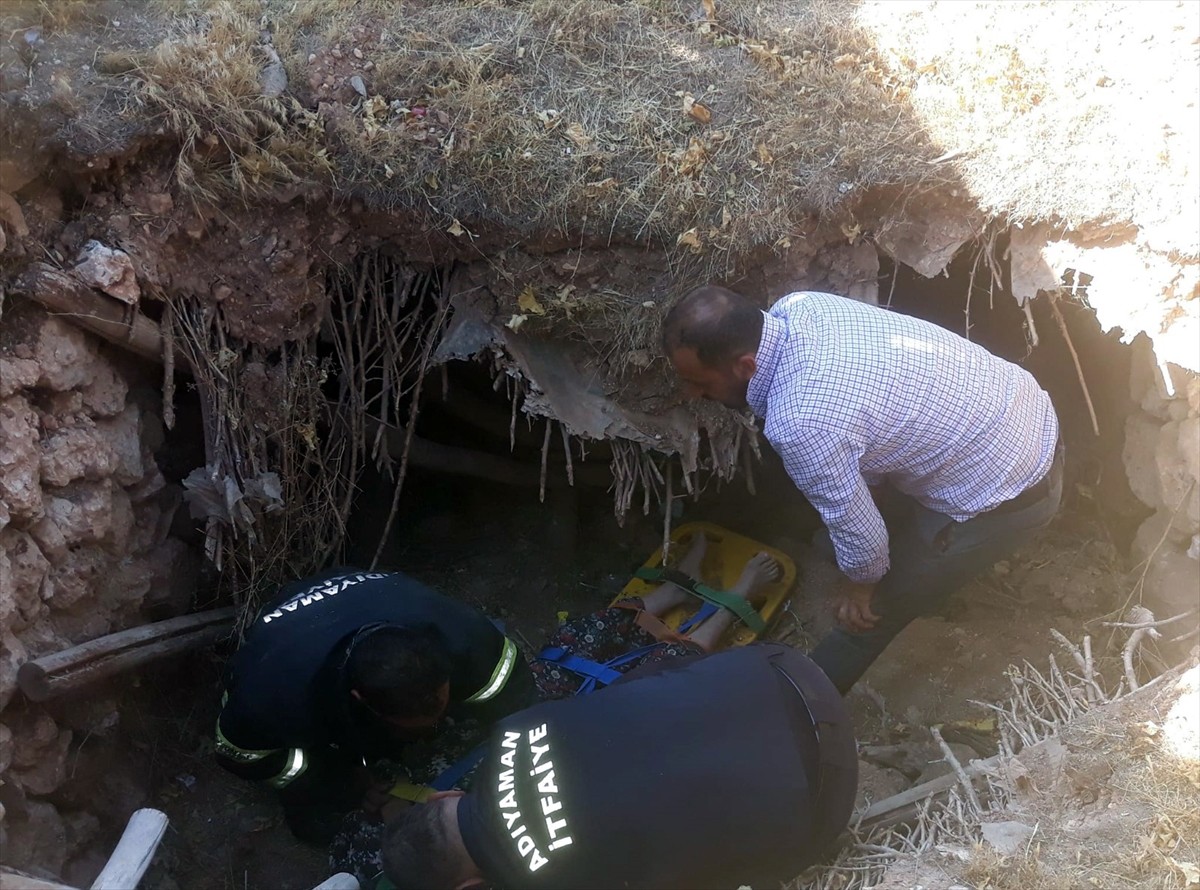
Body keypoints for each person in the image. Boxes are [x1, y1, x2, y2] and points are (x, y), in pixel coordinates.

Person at [662, 286, 1063, 694]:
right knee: (856, 514)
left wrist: (861, 584)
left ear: (746, 366)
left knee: (869, 614)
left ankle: (800, 703)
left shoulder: (800, 423)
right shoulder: (800, 306)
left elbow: (865, 539)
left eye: (700, 383)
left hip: (1005, 491)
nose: (693, 394)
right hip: (1021, 411)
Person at [328, 536, 785, 884]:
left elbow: (354, 816)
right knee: (639, 694)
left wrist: (377, 796)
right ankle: (723, 613)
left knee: (560, 658)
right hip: (548, 784)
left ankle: (668, 597)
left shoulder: (354, 858)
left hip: (474, 757)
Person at [378, 642, 857, 890]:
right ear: (444, 796)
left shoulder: (560, 884)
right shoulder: (514, 728)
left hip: (826, 785)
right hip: (774, 667)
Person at [214, 567, 536, 844]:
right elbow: (239, 754)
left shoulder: (461, 634)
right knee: (317, 811)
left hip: (366, 595)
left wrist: (514, 759)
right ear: (360, 700)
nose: (433, 726)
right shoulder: (272, 697)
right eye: (415, 724)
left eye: (441, 706)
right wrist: (341, 782)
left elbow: (514, 687)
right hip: (293, 638)